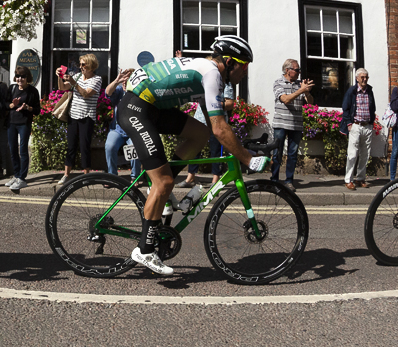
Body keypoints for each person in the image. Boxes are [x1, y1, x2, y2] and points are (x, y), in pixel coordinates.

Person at [116, 36, 269, 276]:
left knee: (199, 134)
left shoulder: (205, 70)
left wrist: (238, 146)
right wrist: (247, 159)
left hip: (153, 107)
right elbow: (220, 129)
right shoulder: (211, 74)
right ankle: (145, 249)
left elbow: (213, 122)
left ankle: (159, 193)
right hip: (137, 108)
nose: (245, 72)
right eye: (244, 66)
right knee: (164, 181)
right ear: (229, 62)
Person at [56, 53, 103, 187]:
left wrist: (73, 82)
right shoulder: (76, 76)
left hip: (86, 117)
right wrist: (60, 77)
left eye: (84, 64)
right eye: (80, 64)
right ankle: (66, 175)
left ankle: (86, 176)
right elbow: (62, 88)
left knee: (84, 147)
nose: (81, 67)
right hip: (73, 115)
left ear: (91, 66)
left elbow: (86, 94)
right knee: (71, 146)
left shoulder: (97, 79)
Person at [271, 58, 313, 189]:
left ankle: (289, 181)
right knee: (277, 153)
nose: (299, 72)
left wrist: (306, 92)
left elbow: (310, 103)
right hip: (281, 123)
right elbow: (286, 99)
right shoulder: (278, 83)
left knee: (292, 154)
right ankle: (274, 180)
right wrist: (301, 90)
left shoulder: (300, 84)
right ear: (288, 70)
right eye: (297, 70)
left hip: (296, 125)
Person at [6, 65, 41, 192]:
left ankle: (22, 178)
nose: (20, 78)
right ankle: (16, 175)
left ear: (27, 78)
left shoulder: (32, 91)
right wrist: (12, 105)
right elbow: (6, 104)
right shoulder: (12, 88)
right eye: (18, 76)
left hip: (24, 123)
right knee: (12, 149)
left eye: (23, 76)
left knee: (23, 150)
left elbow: (37, 110)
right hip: (11, 122)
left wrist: (27, 108)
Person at [340, 68, 376, 190]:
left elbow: (373, 107)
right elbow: (345, 108)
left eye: (366, 77)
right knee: (352, 154)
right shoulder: (351, 91)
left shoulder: (370, 90)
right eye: (362, 77)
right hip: (355, 125)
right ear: (357, 78)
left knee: (365, 154)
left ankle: (360, 178)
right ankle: (348, 179)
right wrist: (349, 124)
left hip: (367, 126)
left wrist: (371, 123)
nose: (364, 79)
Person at [103, 68, 137, 177]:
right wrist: (117, 81)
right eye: (123, 80)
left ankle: (135, 176)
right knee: (110, 146)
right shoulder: (119, 91)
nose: (124, 83)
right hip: (117, 129)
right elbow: (107, 92)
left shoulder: (138, 92)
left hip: (133, 130)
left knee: (135, 148)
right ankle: (112, 174)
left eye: (127, 80)